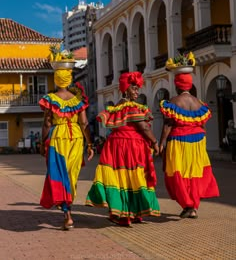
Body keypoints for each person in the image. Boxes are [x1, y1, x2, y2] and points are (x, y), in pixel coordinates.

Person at [86, 71, 160, 226]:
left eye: (137, 89)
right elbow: (143, 127)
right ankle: (130, 213)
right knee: (133, 177)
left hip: (115, 146)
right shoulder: (131, 107)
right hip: (130, 145)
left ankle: (125, 213)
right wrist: (154, 141)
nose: (137, 92)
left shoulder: (115, 107)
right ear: (125, 89)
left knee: (121, 179)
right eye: (134, 88)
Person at [39, 68, 94, 230]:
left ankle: (67, 214)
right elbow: (84, 123)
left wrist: (43, 143)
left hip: (58, 138)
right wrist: (90, 144)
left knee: (59, 175)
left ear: (56, 80)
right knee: (71, 175)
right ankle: (67, 208)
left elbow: (47, 123)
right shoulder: (78, 100)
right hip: (76, 138)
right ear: (68, 80)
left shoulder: (51, 99)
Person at [159, 73, 219, 219]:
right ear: (190, 86)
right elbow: (203, 125)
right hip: (198, 142)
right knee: (194, 173)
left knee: (178, 172)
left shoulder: (173, 101)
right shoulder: (199, 103)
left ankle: (188, 205)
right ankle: (192, 206)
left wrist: (161, 143)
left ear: (177, 86)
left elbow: (168, 124)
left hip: (179, 141)